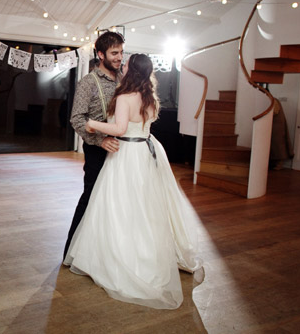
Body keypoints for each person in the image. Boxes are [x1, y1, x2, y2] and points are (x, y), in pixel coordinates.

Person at [63, 53, 202, 309]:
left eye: (125, 64)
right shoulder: (150, 97)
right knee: (143, 207)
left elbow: (119, 129)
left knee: (119, 205)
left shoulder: (125, 97)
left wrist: (91, 123)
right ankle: (147, 252)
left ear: (132, 71)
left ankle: (121, 257)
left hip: (127, 154)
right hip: (145, 153)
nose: (122, 66)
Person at [64, 31, 124, 258]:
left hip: (122, 151)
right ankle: (72, 252)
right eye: (114, 53)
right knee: (91, 197)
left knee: (115, 200)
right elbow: (77, 119)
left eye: (121, 52)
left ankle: (107, 252)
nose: (119, 57)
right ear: (101, 54)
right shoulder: (88, 83)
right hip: (97, 151)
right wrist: (101, 139)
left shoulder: (123, 80)